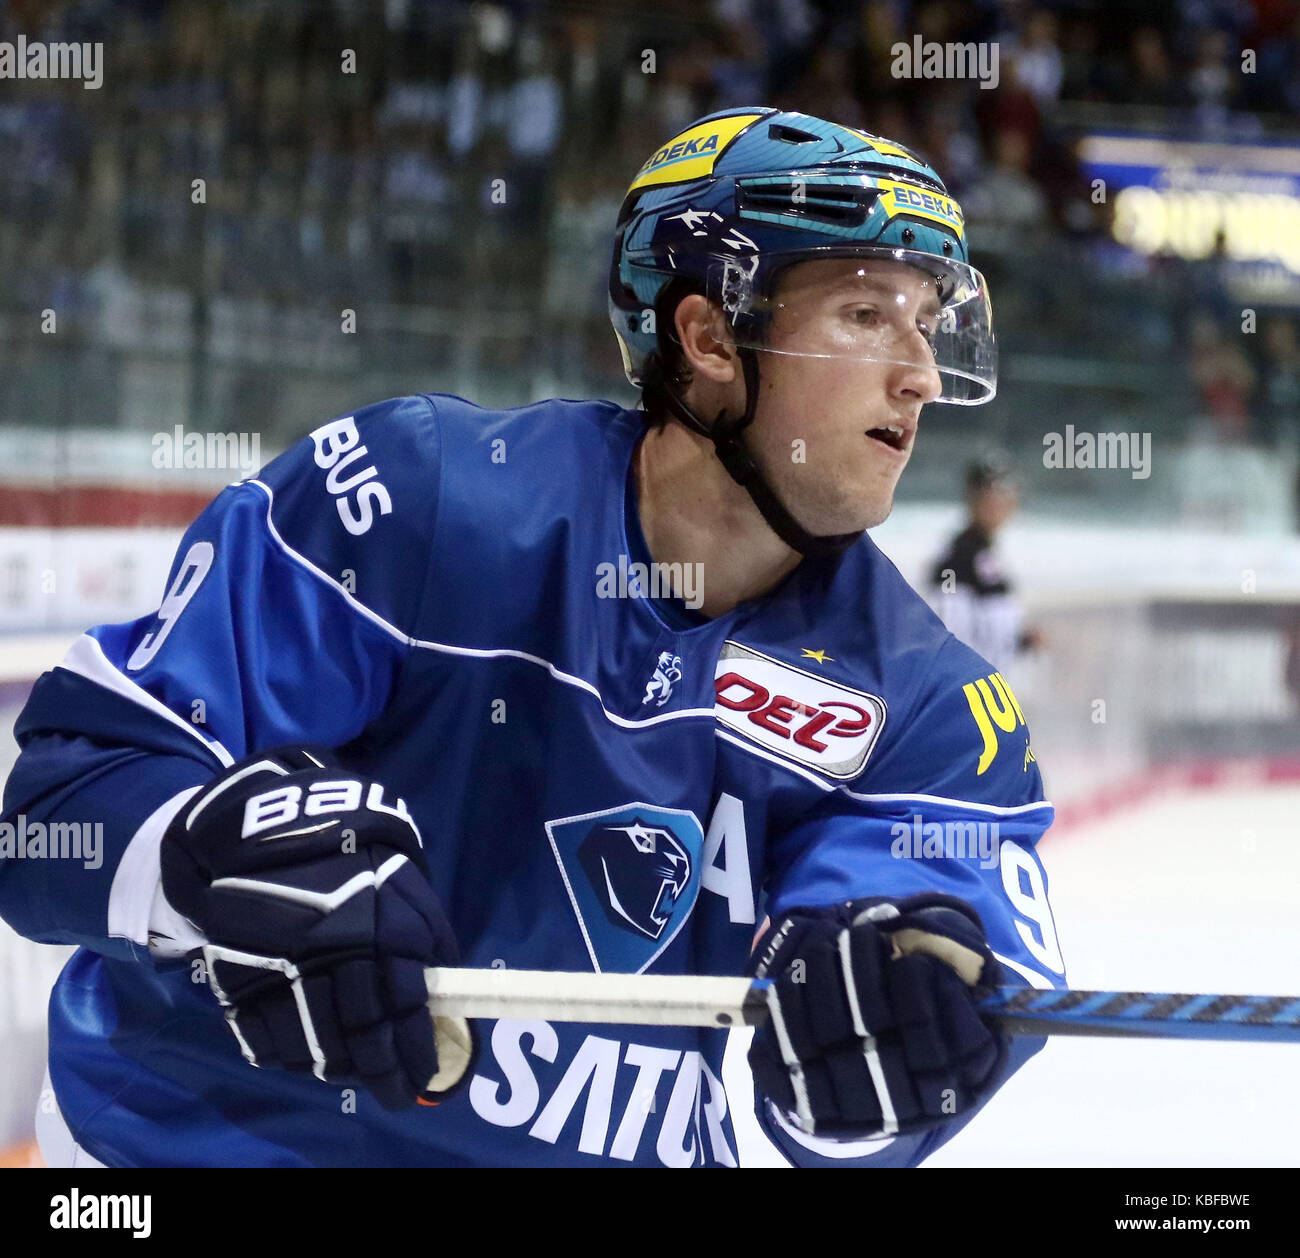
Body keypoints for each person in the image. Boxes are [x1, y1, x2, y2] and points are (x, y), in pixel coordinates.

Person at [0, 107, 1065, 1168]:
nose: (920, 373)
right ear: (705, 337)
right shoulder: (420, 503)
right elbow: (52, 819)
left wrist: (895, 1025)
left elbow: (870, 1091)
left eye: (929, 322)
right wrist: (201, 852)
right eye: (868, 314)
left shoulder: (927, 702)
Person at [929, 456, 1042, 671]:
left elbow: (992, 626)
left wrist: (1021, 638)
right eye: (991, 493)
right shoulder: (957, 558)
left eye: (1006, 493)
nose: (1001, 503)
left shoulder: (986, 554)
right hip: (970, 689)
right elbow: (949, 632)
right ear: (972, 498)